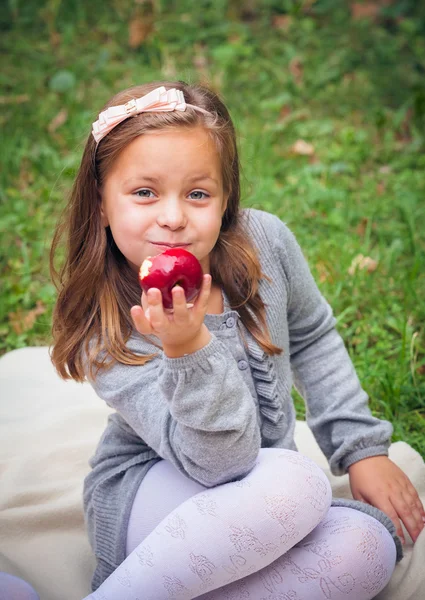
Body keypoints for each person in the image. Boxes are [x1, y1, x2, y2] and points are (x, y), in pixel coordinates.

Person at [49, 81, 425, 600]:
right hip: (155, 497)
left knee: (367, 545)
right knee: (298, 485)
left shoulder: (266, 242)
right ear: (101, 203)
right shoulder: (107, 325)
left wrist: (361, 450)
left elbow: (313, 336)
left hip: (267, 502)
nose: (174, 217)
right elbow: (222, 466)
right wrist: (189, 350)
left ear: (226, 201)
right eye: (144, 192)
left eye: (198, 193)